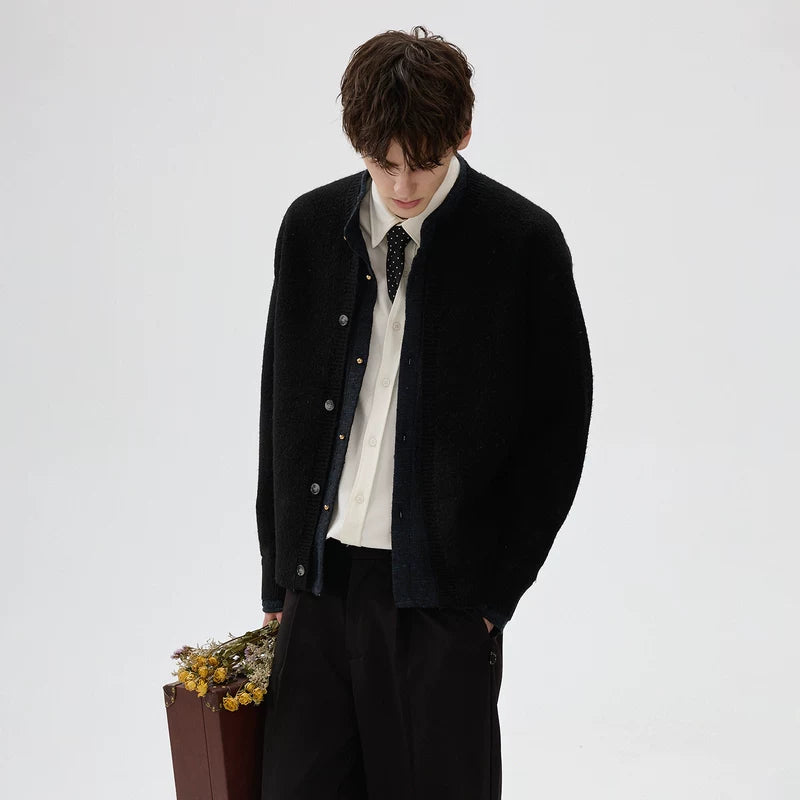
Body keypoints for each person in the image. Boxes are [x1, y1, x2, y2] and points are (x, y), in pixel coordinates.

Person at [257, 25, 593, 800]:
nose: (403, 185)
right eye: (383, 164)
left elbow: (558, 434)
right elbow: (278, 407)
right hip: (318, 589)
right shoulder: (309, 229)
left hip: (441, 605)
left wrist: (491, 599)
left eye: (425, 162)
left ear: (462, 133)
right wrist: (279, 582)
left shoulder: (523, 244)